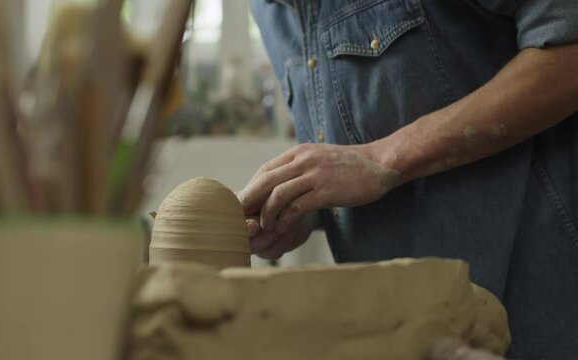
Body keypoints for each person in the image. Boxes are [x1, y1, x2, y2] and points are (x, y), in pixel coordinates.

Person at [240, 0, 578, 358]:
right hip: (407, 333)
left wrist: (382, 159)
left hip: (542, 307)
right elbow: (350, 142)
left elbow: (569, 52)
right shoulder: (267, 12)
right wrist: (305, 207)